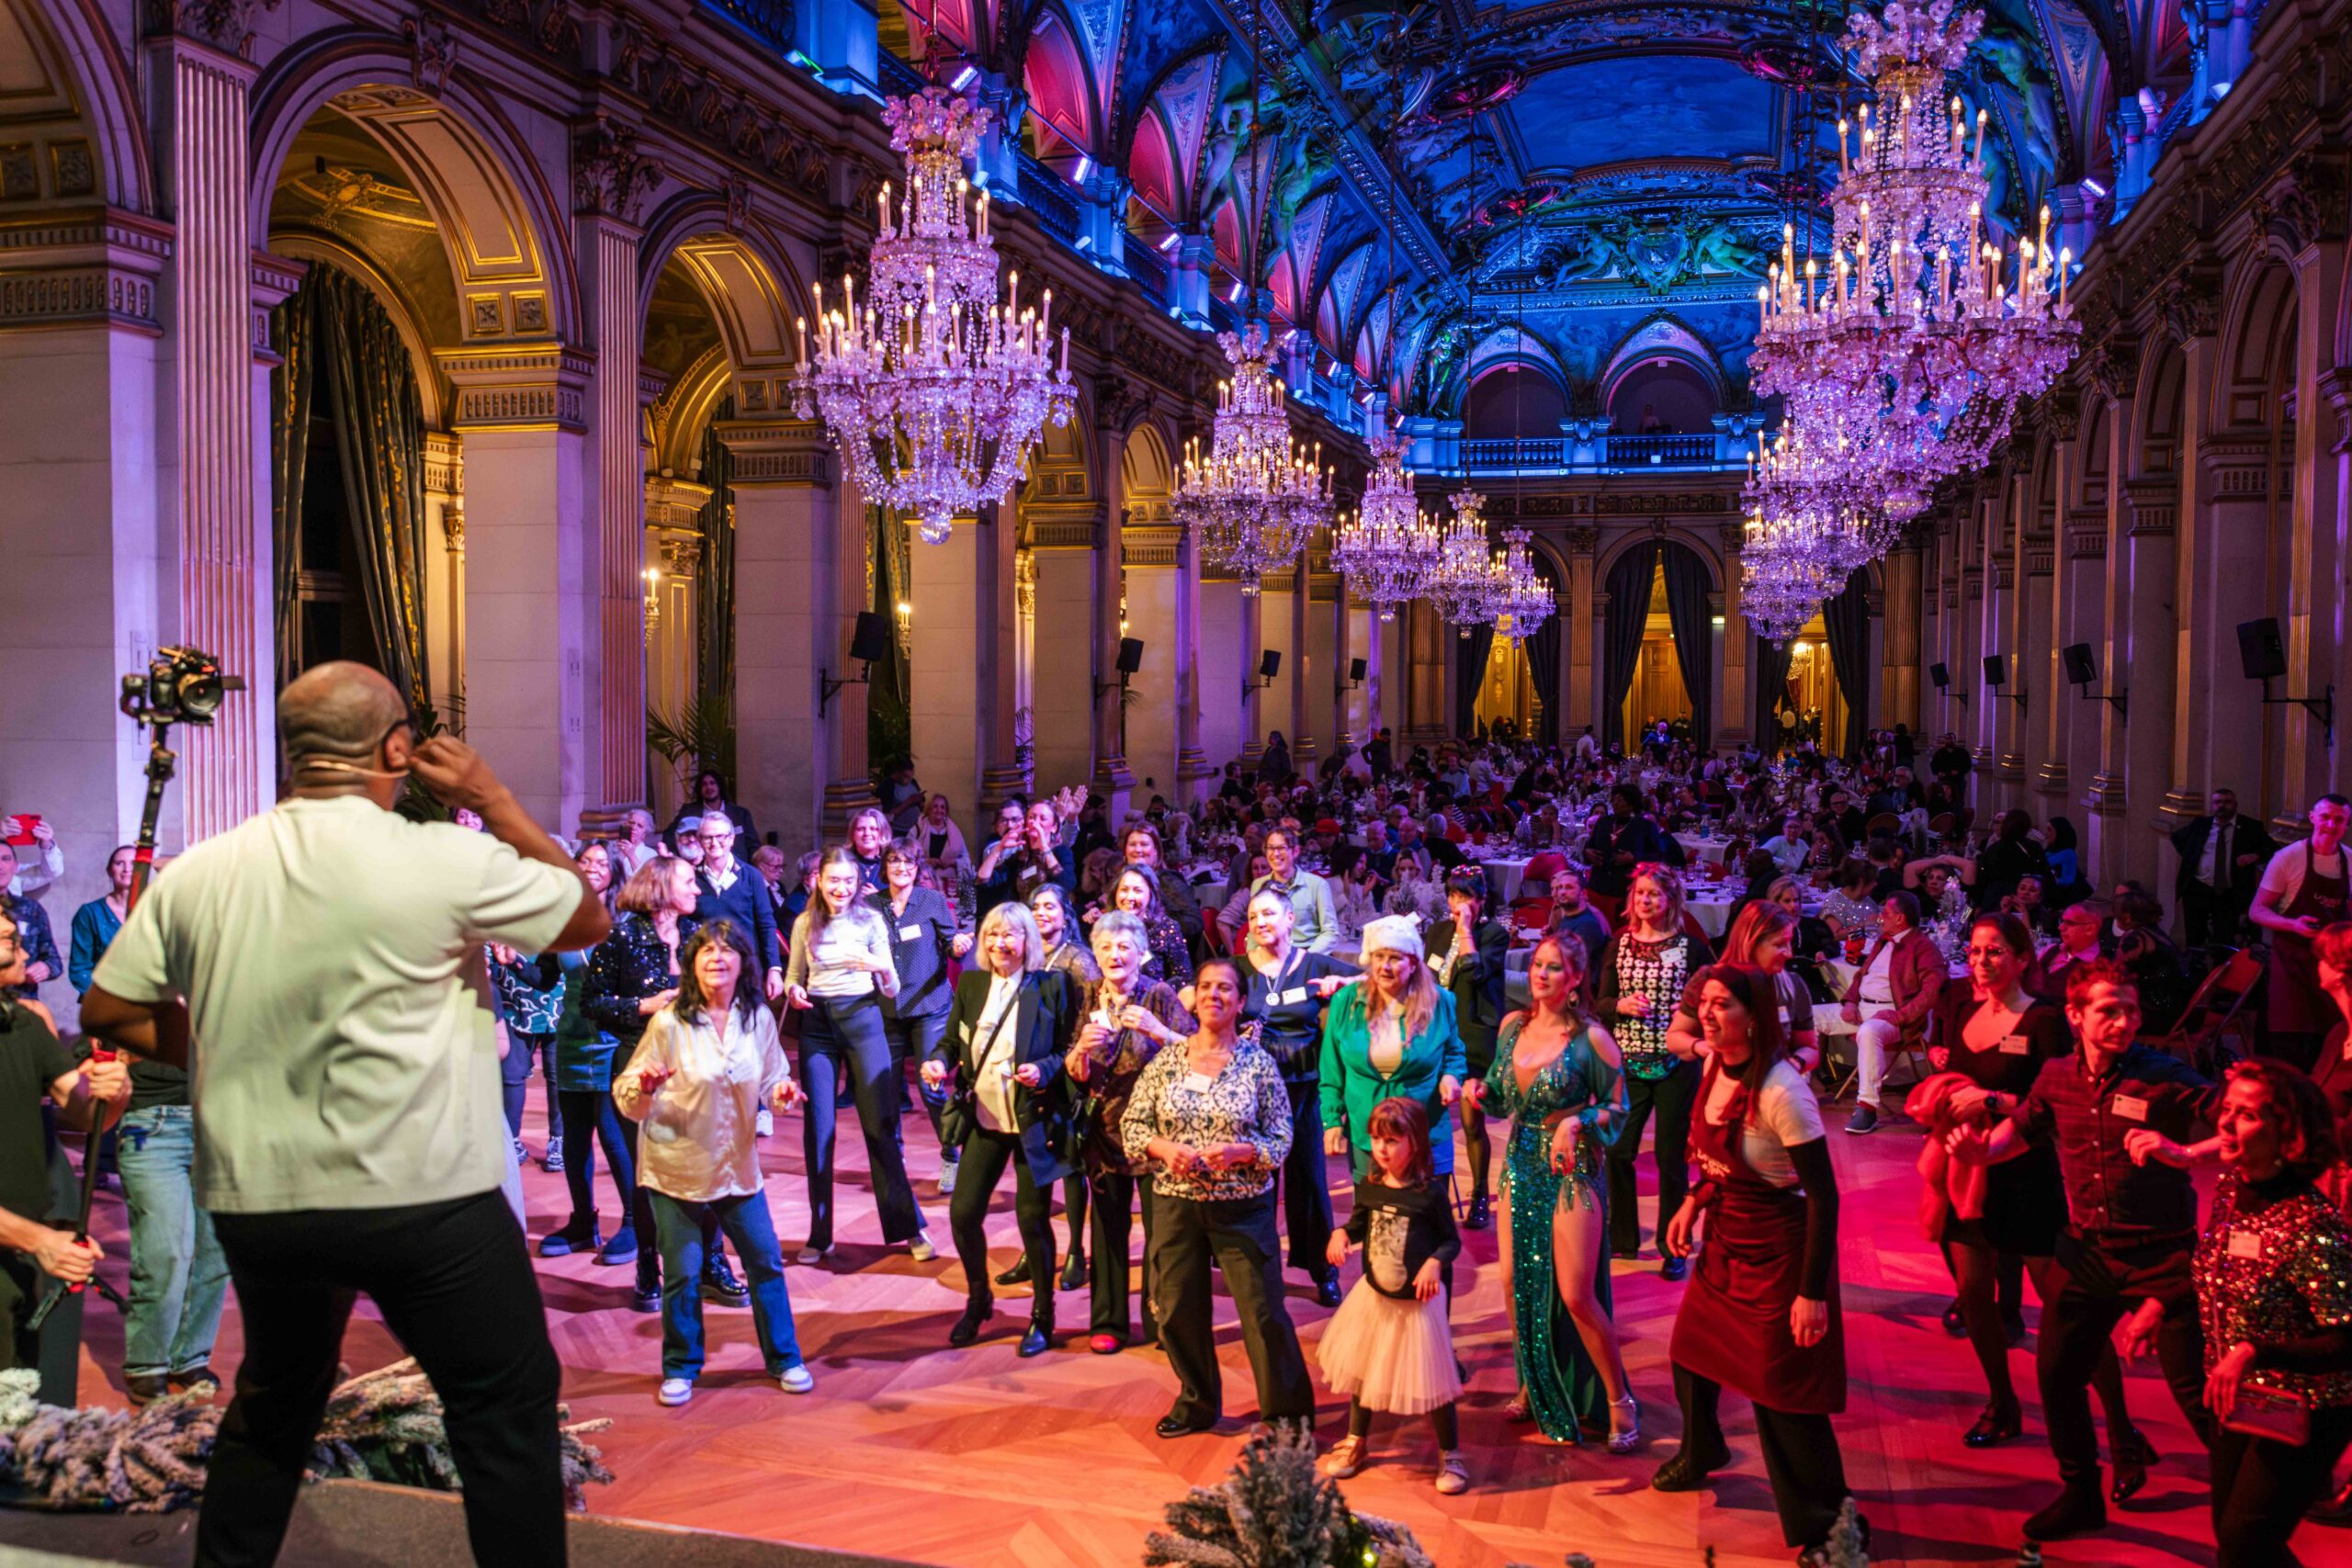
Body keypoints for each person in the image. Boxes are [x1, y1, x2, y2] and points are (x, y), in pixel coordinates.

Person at [81, 662, 610, 1568]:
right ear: (397, 748)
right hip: (425, 1197)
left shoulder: (203, 869)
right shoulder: (445, 857)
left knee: (275, 1404)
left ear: (292, 753)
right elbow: (585, 918)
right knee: (503, 1411)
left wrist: (218, 1046)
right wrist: (490, 796)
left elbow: (108, 1007)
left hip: (264, 1199)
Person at [1948, 961, 2218, 1540]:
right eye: (2109, 1010)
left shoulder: (2163, 1074)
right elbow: (2022, 1130)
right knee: (2057, 1376)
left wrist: (2188, 1154)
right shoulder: (2056, 1076)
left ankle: (2259, 1495)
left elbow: (2244, 1123)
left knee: (2196, 1394)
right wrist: (1982, 1154)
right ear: (2075, 1015)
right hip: (2089, 1254)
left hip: (2162, 1259)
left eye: (2131, 1010)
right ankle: (2080, 1495)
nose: (2124, 1022)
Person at [1920, 915, 2147, 1469]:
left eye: (1995, 951)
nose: (1982, 960)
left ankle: (2122, 1429)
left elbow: (2057, 1105)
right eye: (1976, 951)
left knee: (2070, 1309)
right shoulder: (1965, 1012)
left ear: (2023, 958)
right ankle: (2002, 1404)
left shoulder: (2044, 1020)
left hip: (2027, 1176)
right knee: (1974, 1295)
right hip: (1970, 1175)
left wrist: (1992, 1101)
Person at [2108, 1059, 2352, 1564]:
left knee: (2245, 1540)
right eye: (2228, 1108)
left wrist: (2254, 1352)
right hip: (2239, 1397)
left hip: (2308, 1408)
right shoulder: (2231, 1188)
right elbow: (2216, 1271)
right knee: (2235, 1540)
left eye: (2248, 1114)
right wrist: (2161, 1301)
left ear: (2289, 1133)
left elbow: (2345, 1340)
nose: (2225, 1122)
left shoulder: (2313, 1223)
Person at [1653, 965, 1857, 1563]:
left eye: (1722, 1005)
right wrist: (1693, 1199)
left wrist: (1811, 1293)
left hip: (1781, 1255)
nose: (1707, 1014)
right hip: (1727, 1238)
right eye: (1705, 1003)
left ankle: (1833, 1529)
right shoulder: (1714, 1066)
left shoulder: (1783, 1091)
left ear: (1754, 1017)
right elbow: (1717, 1161)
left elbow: (1824, 1197)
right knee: (1691, 1351)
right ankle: (1702, 1450)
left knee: (1783, 1395)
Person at [614, 920, 812, 1406]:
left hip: (736, 1166)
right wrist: (644, 1087)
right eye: (706, 951)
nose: (717, 958)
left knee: (765, 1261)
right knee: (683, 1273)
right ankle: (681, 1367)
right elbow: (626, 1094)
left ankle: (785, 1358)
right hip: (675, 1166)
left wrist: (782, 1094)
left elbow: (774, 1078)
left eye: (727, 950)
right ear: (692, 963)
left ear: (743, 962)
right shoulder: (669, 1022)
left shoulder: (757, 1018)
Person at [1121, 955, 1315, 1437]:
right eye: (1205, 986)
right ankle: (1197, 1402)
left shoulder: (1258, 1064)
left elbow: (1281, 1138)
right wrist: (1164, 1149)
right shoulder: (1167, 1061)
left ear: (1241, 1001)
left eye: (1225, 987)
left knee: (1263, 1313)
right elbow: (1133, 1126)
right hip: (1175, 1203)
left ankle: (1287, 1416)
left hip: (1242, 1206)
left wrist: (1243, 1152)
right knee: (1176, 1310)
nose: (1213, 994)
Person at [1467, 933, 1638, 1450]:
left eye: (1554, 967)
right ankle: (1534, 1381)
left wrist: (1577, 1120)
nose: (1541, 974)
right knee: (1513, 1282)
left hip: (1571, 1169)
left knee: (1575, 1293)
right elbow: (1500, 1098)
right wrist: (1479, 1092)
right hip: (1521, 1163)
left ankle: (1619, 1401)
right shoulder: (1511, 1027)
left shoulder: (1592, 1039)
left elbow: (1619, 1107)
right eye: (1537, 965)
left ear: (1576, 978)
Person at [583, 856, 740, 1306]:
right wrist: (644, 1005)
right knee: (649, 1173)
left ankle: (712, 1264)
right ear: (662, 887)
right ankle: (648, 1267)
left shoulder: (698, 937)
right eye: (689, 881)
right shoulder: (621, 937)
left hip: (698, 1066)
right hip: (641, 1066)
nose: (697, 889)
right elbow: (591, 1003)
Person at [924, 901, 1077, 1357]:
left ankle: (1042, 1315)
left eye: (1010, 934)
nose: (999, 943)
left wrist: (1043, 1069)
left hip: (1033, 1120)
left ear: (1027, 940)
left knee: (1032, 1219)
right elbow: (952, 1041)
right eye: (992, 934)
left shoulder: (1051, 985)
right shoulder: (972, 984)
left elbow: (1067, 1049)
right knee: (963, 1213)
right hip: (986, 1120)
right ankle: (979, 1299)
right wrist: (939, 1061)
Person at [3, 904, 129, 1403]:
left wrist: (113, 1092)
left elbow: (84, 1112)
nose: (23, 950)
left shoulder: (25, 1024)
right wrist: (38, 1239)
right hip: (25, 1238)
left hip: (21, 1250)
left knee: (28, 1395)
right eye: (9, 940)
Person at [1316, 1097, 1469, 1493]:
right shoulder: (1371, 1187)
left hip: (1417, 1304)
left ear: (1414, 1142)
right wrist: (1341, 1234)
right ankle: (1356, 1439)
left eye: (1391, 1140)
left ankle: (1450, 1452)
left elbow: (1451, 1242)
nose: (1381, 1149)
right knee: (1363, 1368)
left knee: (1433, 1376)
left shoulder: (1429, 1194)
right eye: (1376, 1139)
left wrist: (1435, 1262)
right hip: (1375, 1297)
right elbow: (1358, 1224)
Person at [786, 846, 928, 1264]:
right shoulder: (804, 923)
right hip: (818, 1027)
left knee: (880, 1127)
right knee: (819, 1132)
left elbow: (892, 988)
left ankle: (909, 1227)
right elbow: (795, 975)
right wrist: (794, 990)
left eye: (849, 881)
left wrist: (876, 965)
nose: (841, 888)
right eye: (833, 880)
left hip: (863, 1021)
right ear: (818, 881)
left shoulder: (871, 921)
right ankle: (820, 1235)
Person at [1066, 911, 1192, 1353]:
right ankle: (1108, 1322)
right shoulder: (1085, 995)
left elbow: (1196, 1052)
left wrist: (1159, 1032)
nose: (1115, 955)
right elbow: (1073, 1071)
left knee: (1162, 1237)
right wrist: (1082, 1050)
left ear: (1142, 952)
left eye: (1124, 947)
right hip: (1104, 1132)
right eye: (1106, 947)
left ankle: (1162, 1321)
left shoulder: (1159, 994)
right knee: (1106, 1233)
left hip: (1157, 1136)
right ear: (1095, 953)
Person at [1236, 886, 1356, 1305]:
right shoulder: (1238, 969)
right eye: (1253, 916)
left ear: (1290, 919)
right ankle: (1258, 1270)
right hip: (1254, 1091)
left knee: (1310, 1179)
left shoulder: (1313, 964)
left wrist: (1343, 983)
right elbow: (1203, 996)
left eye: (1268, 914)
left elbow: (1373, 977)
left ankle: (1323, 1270)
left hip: (1304, 1087)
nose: (1260, 922)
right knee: (1257, 1181)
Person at [1597, 863, 1714, 1278]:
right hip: (1628, 1062)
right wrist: (1620, 1005)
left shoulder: (1692, 948)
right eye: (1640, 893)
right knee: (1618, 1151)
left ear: (1670, 900)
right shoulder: (1619, 944)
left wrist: (1696, 1018)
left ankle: (1672, 1244)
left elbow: (1715, 994)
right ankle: (1622, 1237)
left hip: (1676, 1064)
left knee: (1670, 1158)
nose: (1645, 900)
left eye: (1654, 894)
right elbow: (1600, 1001)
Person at [1318, 917, 1468, 1190]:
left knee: (1426, 1212)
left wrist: (1451, 1077)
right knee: (1373, 1211)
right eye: (1379, 956)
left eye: (1395, 958)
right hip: (1369, 1134)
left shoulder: (1439, 1002)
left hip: (1425, 1130)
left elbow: (1453, 1053)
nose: (1385, 966)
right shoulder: (1346, 1002)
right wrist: (1332, 1120)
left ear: (1413, 963)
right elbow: (1331, 1073)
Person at [544, 842, 634, 1262]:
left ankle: (634, 1222)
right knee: (575, 1139)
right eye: (585, 861)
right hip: (571, 1040)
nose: (592, 867)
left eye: (601, 863)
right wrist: (513, 963)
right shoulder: (563, 920)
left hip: (611, 1040)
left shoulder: (626, 923)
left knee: (614, 1137)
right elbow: (545, 978)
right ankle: (583, 1222)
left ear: (614, 872)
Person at [872, 837, 972, 1194]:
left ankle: (950, 1156)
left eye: (909, 862)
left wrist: (958, 946)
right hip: (888, 1010)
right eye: (894, 861)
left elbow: (951, 944)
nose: (901, 868)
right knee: (886, 1090)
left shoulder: (931, 901)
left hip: (930, 1007)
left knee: (932, 1088)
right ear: (885, 866)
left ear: (917, 868)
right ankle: (895, 1159)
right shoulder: (871, 905)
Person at [1426, 872, 1508, 1229]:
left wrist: (1465, 932)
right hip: (1436, 1033)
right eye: (1454, 896)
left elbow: (1474, 972)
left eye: (1467, 897)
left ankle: (1479, 1195)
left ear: (1481, 900)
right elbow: (1427, 976)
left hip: (1472, 1035)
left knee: (1472, 1123)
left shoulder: (1493, 935)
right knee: (1430, 1119)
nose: (1459, 904)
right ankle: (1433, 1197)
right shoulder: (1436, 932)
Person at [2251, 795, 2352, 1073]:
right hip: (2291, 960)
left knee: (2329, 1037)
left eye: (2339, 820)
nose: (2331, 825)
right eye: (2325, 817)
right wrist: (2293, 924)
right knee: (2290, 1038)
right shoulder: (2287, 858)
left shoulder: (2349, 860)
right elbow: (2257, 911)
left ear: (2346, 824)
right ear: (2312, 817)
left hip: (2333, 964)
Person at [1666, 902, 1820, 1077]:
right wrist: (1705, 1048)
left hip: (1775, 1085)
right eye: (1780, 944)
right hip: (1723, 1082)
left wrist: (1795, 1064)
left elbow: (1809, 1048)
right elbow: (1674, 1038)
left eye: (1789, 943)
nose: (1789, 953)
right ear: (1752, 943)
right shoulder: (1711, 981)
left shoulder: (1792, 985)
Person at [1838, 889, 1944, 1134]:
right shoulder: (1883, 941)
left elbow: (1931, 993)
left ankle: (1867, 1107)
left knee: (1869, 1032)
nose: (1880, 917)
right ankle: (1797, 1089)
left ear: (1900, 918)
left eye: (1885, 912)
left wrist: (1898, 1017)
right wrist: (1850, 1001)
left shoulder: (1923, 947)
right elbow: (1860, 976)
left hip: (1892, 1017)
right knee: (1811, 1017)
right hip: (1861, 1009)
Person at [691, 815, 785, 1008]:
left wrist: (774, 969)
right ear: (699, 840)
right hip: (706, 970)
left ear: (732, 839)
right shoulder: (691, 878)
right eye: (708, 837)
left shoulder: (751, 876)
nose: (714, 842)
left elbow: (766, 924)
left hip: (746, 969)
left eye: (721, 836)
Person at [2172, 787, 2276, 951]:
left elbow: (2272, 848)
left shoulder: (2250, 827)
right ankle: (2196, 965)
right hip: (2198, 888)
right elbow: (2177, 837)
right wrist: (2191, 856)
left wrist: (2255, 856)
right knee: (2194, 938)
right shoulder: (2201, 825)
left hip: (2229, 893)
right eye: (2217, 802)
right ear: (2212, 805)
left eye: (2227, 802)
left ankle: (2221, 965)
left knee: (2224, 939)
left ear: (2235, 805)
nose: (2221, 806)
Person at [1250, 827, 1341, 955]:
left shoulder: (1317, 885)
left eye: (1281, 848)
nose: (1275, 854)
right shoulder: (1258, 884)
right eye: (1271, 848)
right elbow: (1254, 929)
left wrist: (1305, 959)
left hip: (1306, 954)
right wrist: (1251, 956)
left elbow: (1330, 932)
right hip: (1269, 956)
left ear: (1296, 851)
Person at [975, 799, 1075, 913]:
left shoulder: (1061, 852)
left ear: (1054, 827)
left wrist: (1044, 847)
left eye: (1043, 819)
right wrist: (999, 848)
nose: (1035, 822)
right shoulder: (1020, 858)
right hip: (1023, 919)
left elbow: (1066, 884)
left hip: (1050, 917)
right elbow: (982, 881)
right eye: (1031, 817)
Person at [1104, 863, 1192, 987]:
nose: (1130, 897)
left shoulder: (1166, 928)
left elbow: (1184, 978)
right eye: (1124, 890)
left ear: (1151, 894)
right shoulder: (1106, 928)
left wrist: (1160, 994)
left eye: (1137, 890)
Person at [67, 844, 136, 996]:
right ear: (109, 871)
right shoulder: (90, 913)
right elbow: (80, 969)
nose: (127, 869)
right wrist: (108, 999)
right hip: (105, 999)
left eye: (133, 863)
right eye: (119, 863)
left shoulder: (155, 909)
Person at [0, 840, 61, 1001]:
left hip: (23, 1003)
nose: (0, 866)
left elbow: (53, 960)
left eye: (5, 859)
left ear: (15, 867)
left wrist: (46, 968)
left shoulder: (31, 909)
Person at [1544, 867, 1611, 977]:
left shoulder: (1587, 925)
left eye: (1569, 887)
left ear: (1583, 893)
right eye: (1560, 887)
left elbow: (1572, 967)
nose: (1562, 892)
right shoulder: (1568, 917)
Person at [669, 769, 758, 846]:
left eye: (712, 783)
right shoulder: (688, 812)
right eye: (704, 784)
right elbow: (669, 836)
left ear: (720, 786)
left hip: (736, 860)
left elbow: (753, 845)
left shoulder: (741, 814)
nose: (709, 787)